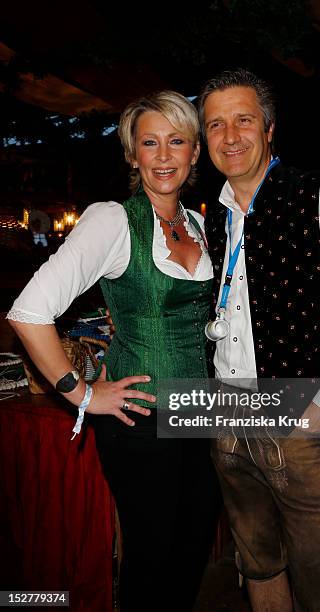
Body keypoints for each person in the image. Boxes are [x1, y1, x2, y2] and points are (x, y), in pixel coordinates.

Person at [7, 91, 220, 611]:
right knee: (151, 558)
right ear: (132, 155)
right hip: (141, 418)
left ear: (195, 153)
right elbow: (29, 311)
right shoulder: (113, 220)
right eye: (150, 143)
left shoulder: (198, 223)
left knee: (193, 551)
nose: (164, 155)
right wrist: (80, 393)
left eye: (177, 142)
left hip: (204, 413)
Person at [197, 68, 320, 611]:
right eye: (215, 124)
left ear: (269, 128)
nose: (230, 135)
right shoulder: (212, 217)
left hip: (303, 419)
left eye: (243, 120)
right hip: (230, 417)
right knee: (257, 564)